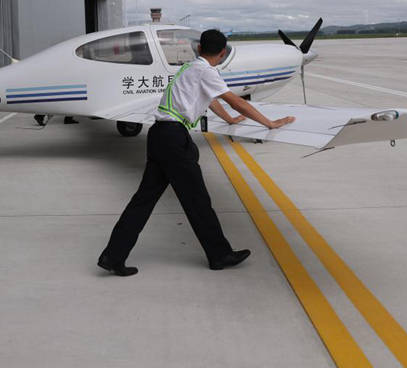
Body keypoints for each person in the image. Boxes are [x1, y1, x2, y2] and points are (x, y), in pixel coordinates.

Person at [98, 29, 295, 276]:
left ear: (199, 48)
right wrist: (270, 123)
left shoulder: (190, 68)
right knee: (197, 201)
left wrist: (229, 120)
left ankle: (112, 256)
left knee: (143, 200)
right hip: (173, 139)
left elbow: (212, 100)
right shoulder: (206, 71)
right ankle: (220, 254)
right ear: (223, 53)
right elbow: (237, 100)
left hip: (159, 135)